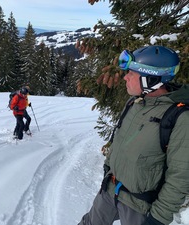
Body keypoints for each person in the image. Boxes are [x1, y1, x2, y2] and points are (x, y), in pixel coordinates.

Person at [78, 46, 189, 225]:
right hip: (111, 189)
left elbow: (181, 176)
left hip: (140, 206)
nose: (125, 77)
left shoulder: (180, 117)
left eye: (131, 73)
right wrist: (108, 168)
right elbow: (119, 138)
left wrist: (158, 218)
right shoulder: (135, 103)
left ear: (150, 79)